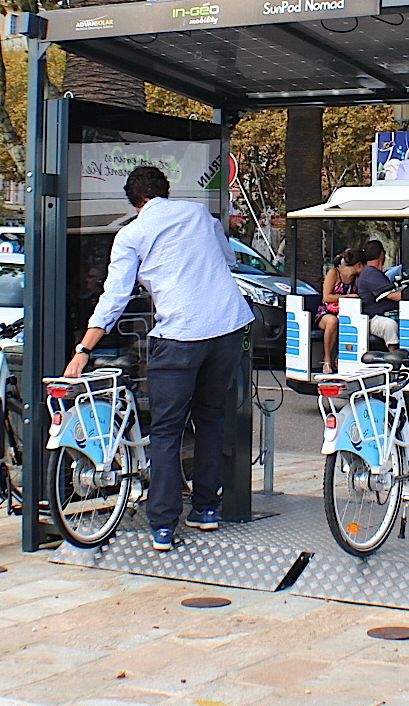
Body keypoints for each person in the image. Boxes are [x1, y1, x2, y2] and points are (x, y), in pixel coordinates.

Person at [65, 165, 254, 553]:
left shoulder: (132, 234)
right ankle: (206, 510)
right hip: (228, 326)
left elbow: (115, 297)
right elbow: (228, 260)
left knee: (167, 430)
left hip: (181, 333)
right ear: (165, 191)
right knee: (211, 417)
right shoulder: (200, 214)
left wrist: (84, 348)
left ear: (135, 203)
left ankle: (164, 526)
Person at [316, 247, 364, 374]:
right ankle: (327, 359)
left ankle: (344, 358)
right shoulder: (334, 273)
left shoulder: (356, 279)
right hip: (327, 312)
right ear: (359, 265)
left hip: (345, 313)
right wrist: (347, 297)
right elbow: (326, 296)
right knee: (332, 322)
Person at [357, 239, 401, 348]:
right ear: (382, 254)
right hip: (373, 318)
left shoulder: (376, 273)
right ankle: (394, 356)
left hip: (386, 314)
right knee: (389, 325)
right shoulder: (370, 273)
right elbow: (391, 295)